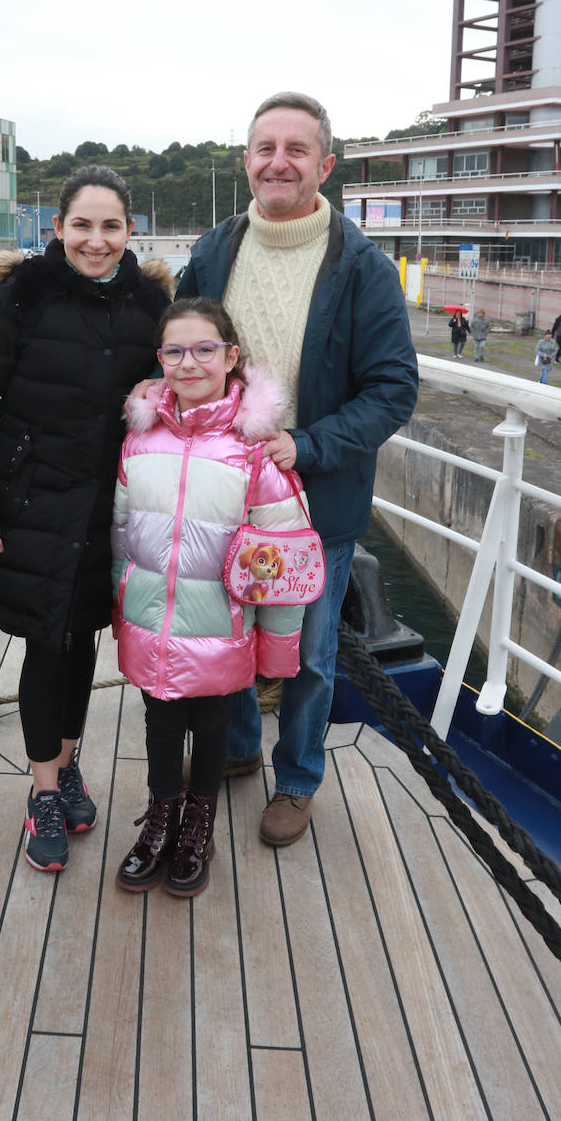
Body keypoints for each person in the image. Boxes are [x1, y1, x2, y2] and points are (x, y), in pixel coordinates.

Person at [174, 90, 418, 847]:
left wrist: (306, 446)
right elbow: (182, 349)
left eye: (297, 149)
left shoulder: (364, 268)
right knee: (230, 633)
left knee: (310, 653)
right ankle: (241, 746)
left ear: (325, 164)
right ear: (247, 161)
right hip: (224, 488)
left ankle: (300, 779)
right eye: (265, 148)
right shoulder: (215, 251)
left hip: (317, 499)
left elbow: (393, 388)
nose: (279, 162)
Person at [0, 164, 173, 873]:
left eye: (110, 227)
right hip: (34, 502)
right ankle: (45, 789)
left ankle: (66, 764)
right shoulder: (21, 298)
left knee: (83, 639)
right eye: (82, 225)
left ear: (131, 230)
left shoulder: (150, 305)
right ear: (58, 228)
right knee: (48, 642)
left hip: (112, 506)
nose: (96, 241)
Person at [112, 298, 307, 897]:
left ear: (231, 356)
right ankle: (161, 815)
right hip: (151, 617)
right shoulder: (138, 441)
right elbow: (122, 535)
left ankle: (199, 823)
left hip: (222, 622)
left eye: (203, 349)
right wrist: (122, 606)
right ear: (159, 360)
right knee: (160, 720)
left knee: (214, 720)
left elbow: (284, 567)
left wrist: (275, 648)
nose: (188, 362)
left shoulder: (258, 453)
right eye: (173, 350)